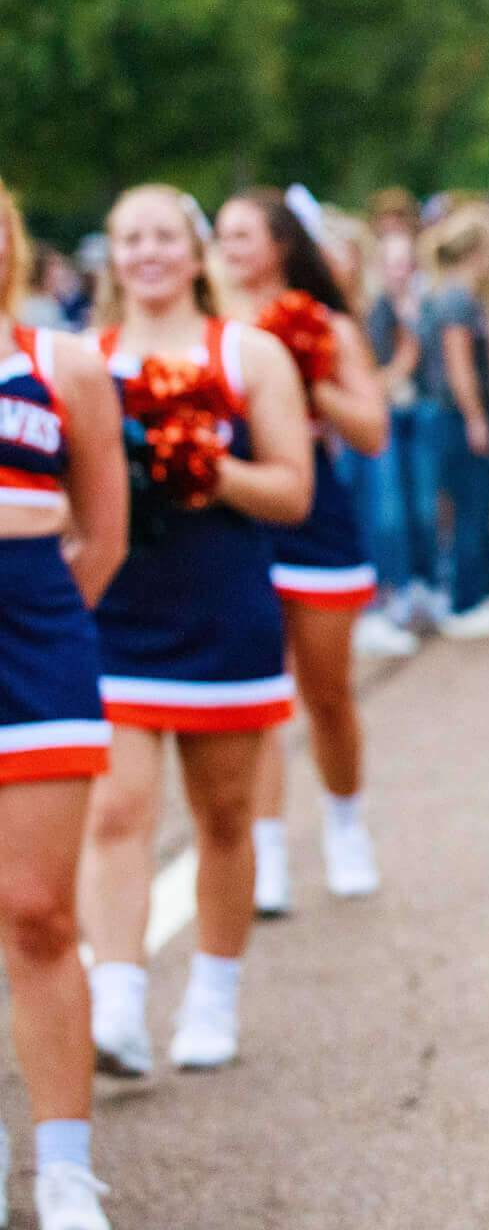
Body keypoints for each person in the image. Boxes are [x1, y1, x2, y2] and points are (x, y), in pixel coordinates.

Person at [82, 185, 313, 1076]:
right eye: (129, 236)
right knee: (115, 810)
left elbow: (291, 491)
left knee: (225, 816)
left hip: (223, 614)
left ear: (194, 250)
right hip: (114, 617)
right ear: (113, 255)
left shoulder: (248, 354)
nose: (146, 251)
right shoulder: (81, 358)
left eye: (163, 236)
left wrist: (205, 467)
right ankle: (119, 1007)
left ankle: (214, 993)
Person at [0, 176, 128, 1230]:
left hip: (38, 640)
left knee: (39, 911)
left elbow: (106, 531)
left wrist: (51, 624)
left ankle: (65, 1167)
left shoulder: (65, 364)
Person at [214, 190, 393, 916]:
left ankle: (346, 823)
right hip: (240, 522)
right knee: (257, 699)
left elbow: (373, 432)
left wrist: (305, 378)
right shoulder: (210, 322)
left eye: (242, 234)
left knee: (327, 694)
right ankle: (266, 854)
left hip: (316, 520)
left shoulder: (327, 324)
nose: (227, 248)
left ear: (281, 243)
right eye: (220, 235)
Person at [418, 206, 489, 640]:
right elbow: (459, 369)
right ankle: (466, 601)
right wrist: (477, 419)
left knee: (467, 508)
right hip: (456, 417)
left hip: (449, 416)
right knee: (471, 509)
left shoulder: (443, 294)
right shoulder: (458, 299)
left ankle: (469, 595)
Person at [359, 228, 441, 646]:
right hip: (388, 415)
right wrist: (403, 364)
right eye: (391, 263)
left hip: (422, 413)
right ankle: (395, 589)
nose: (399, 272)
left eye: (405, 263)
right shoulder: (372, 312)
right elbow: (374, 379)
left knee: (424, 505)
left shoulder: (426, 308)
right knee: (389, 510)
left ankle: (425, 584)